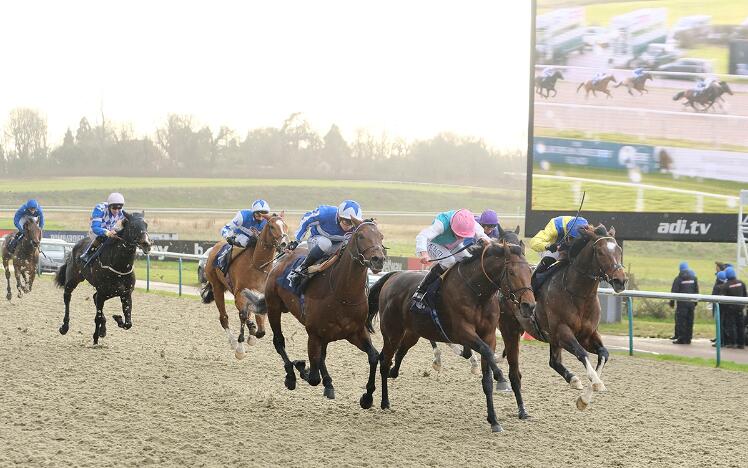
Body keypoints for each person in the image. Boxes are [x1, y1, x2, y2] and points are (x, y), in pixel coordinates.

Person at [411, 209, 491, 311]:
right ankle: (421, 291)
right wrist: (424, 253)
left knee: (469, 261)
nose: (461, 237)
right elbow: (422, 236)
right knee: (449, 261)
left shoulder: (471, 223)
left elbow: (484, 237)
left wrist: (489, 243)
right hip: (434, 243)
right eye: (458, 234)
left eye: (463, 235)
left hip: (453, 245)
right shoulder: (441, 223)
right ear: (452, 226)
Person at [287, 200, 362, 289]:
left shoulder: (357, 224)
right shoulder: (325, 214)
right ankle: (301, 269)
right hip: (317, 240)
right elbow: (306, 219)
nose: (349, 226)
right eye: (346, 222)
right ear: (338, 216)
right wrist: (296, 241)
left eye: (352, 222)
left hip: (338, 245)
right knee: (326, 243)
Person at [529, 215, 589, 287]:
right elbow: (533, 242)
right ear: (567, 231)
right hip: (553, 249)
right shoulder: (555, 225)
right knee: (549, 258)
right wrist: (548, 246)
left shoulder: (586, 229)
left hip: (568, 248)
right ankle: (534, 285)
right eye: (571, 238)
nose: (571, 241)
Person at [79, 192, 126, 265]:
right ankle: (87, 254)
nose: (117, 211)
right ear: (109, 206)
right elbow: (95, 228)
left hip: (110, 229)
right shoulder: (100, 208)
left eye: (119, 208)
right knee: (103, 237)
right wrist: (107, 232)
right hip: (96, 231)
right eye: (114, 208)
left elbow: (124, 224)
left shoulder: (121, 211)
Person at [669, 262, 698, 344]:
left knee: (681, 321)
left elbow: (674, 292)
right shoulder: (694, 278)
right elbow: (696, 291)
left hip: (682, 304)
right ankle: (688, 338)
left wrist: (672, 302)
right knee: (690, 320)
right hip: (691, 303)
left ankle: (681, 338)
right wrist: (695, 302)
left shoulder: (678, 279)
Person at [717, 266, 746, 349]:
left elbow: (721, 299)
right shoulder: (741, 283)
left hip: (730, 310)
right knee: (740, 325)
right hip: (740, 308)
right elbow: (745, 295)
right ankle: (741, 344)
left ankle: (732, 342)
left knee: (731, 326)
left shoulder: (725, 286)